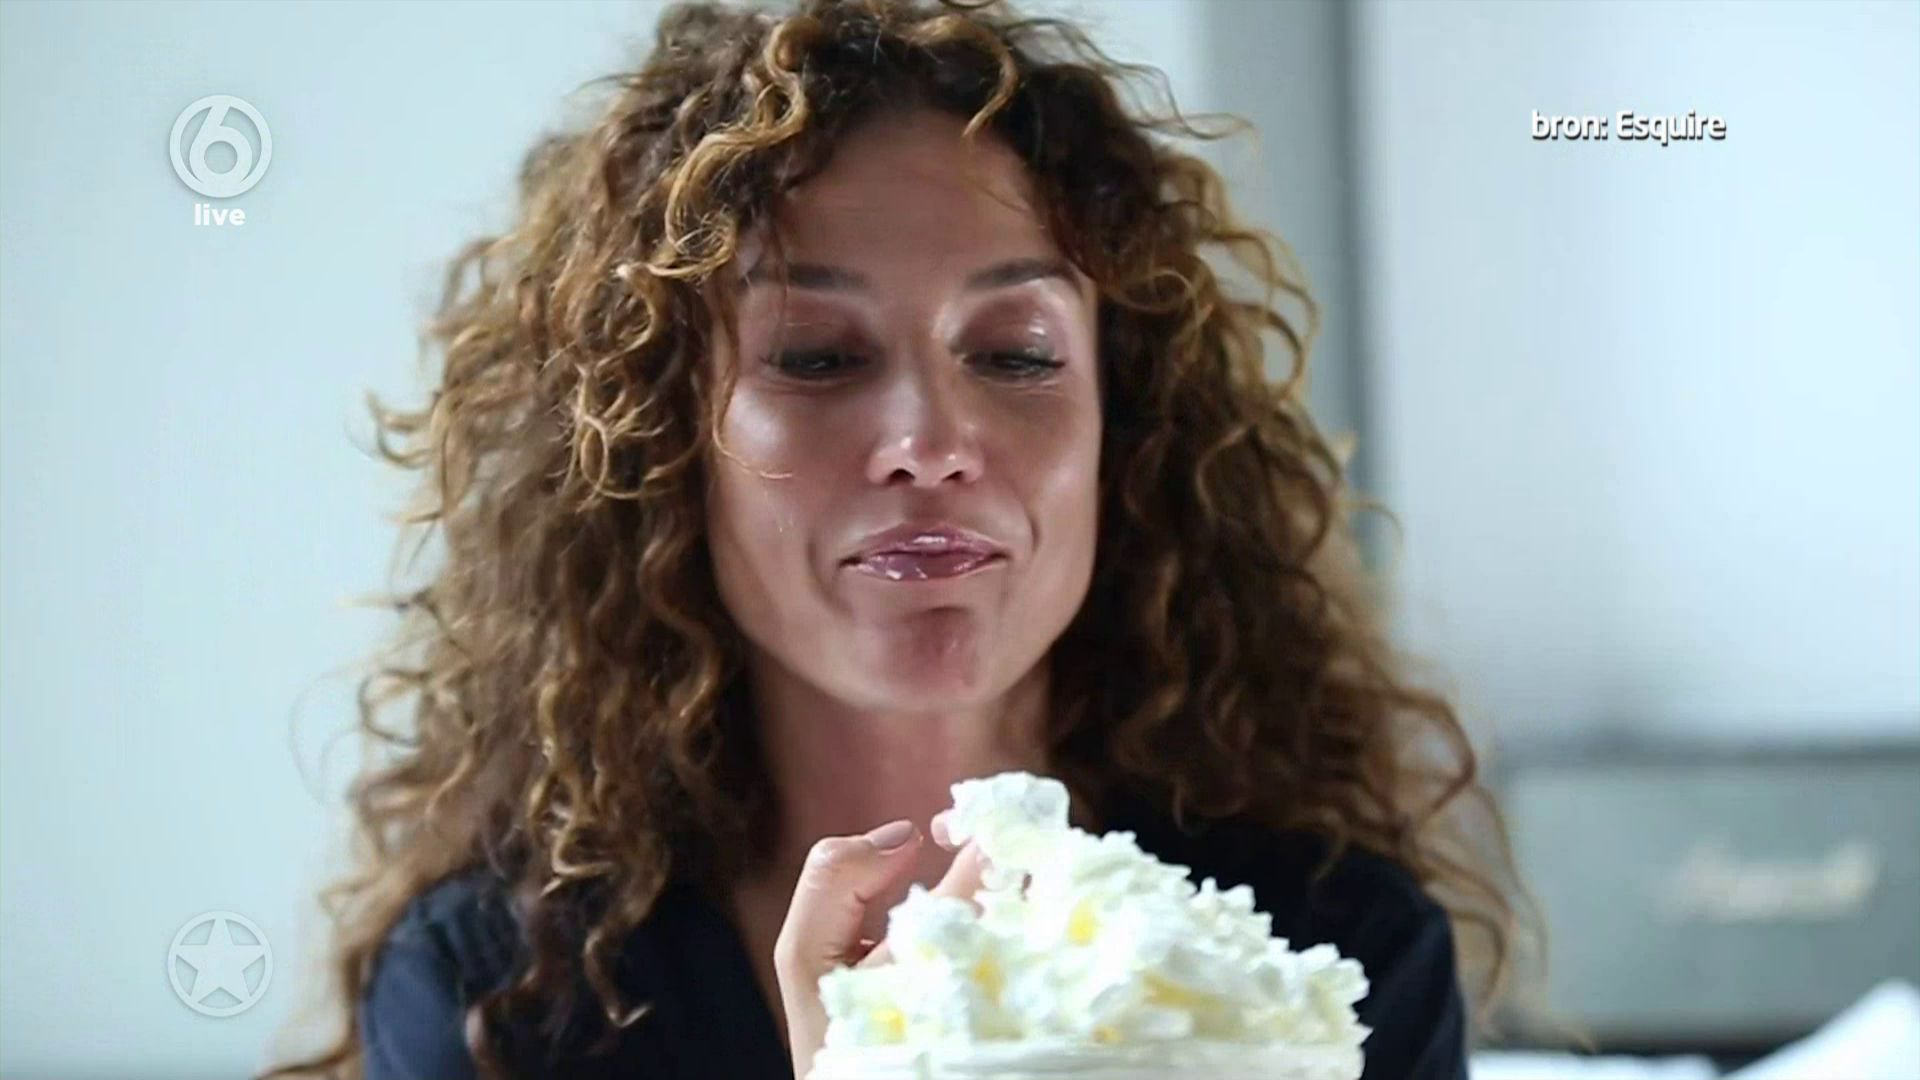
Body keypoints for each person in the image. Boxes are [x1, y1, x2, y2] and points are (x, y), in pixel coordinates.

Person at [260, 1, 1530, 1077]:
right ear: (666, 445)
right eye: (817, 357)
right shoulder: (498, 998)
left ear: (1122, 430)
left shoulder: (1334, 955)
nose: (930, 439)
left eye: (1015, 354)